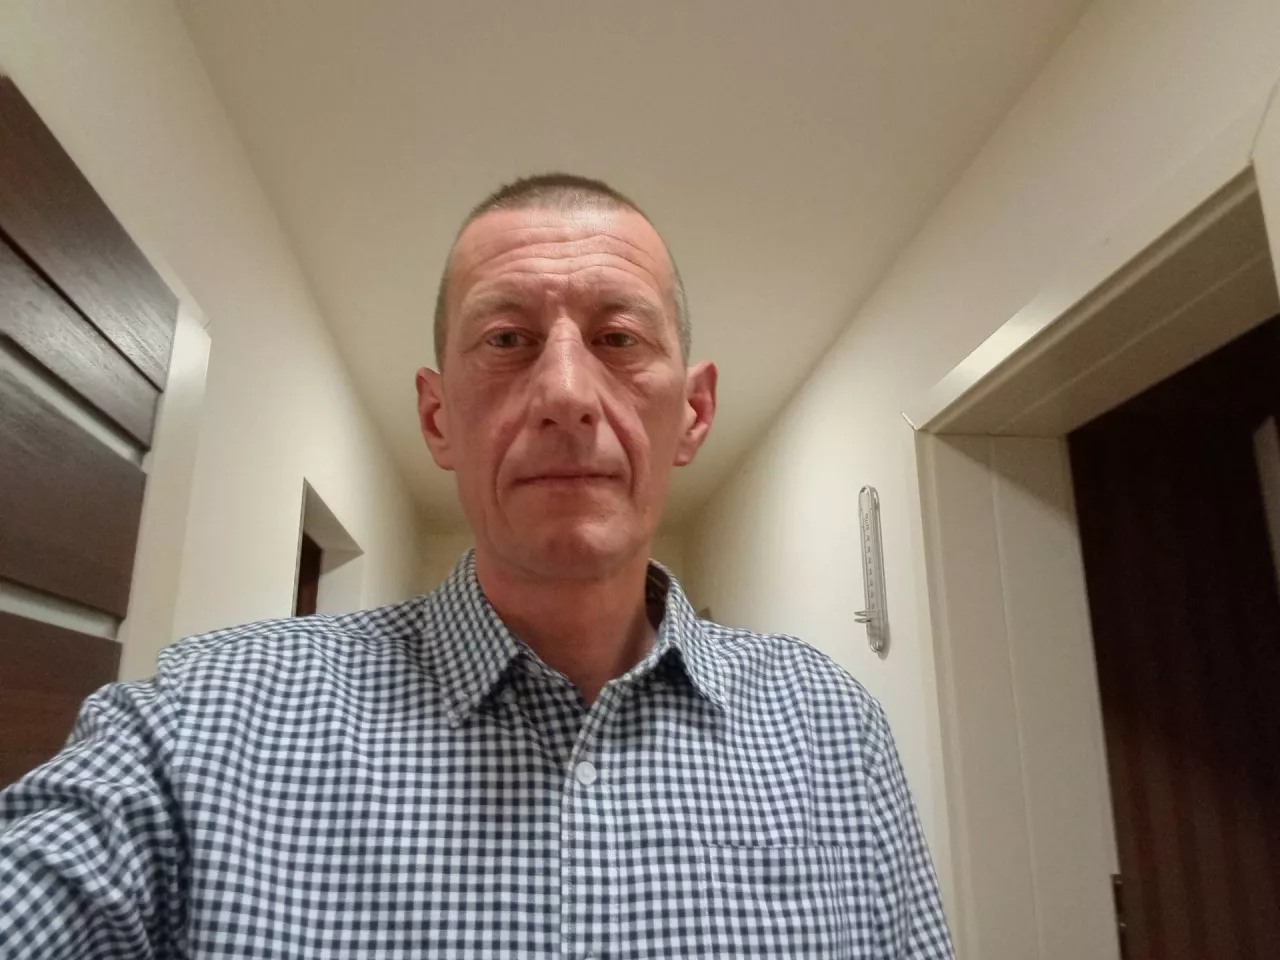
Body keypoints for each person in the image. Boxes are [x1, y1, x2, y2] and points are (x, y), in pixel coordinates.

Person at [0, 173, 953, 958]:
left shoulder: (835, 732)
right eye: (507, 341)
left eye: (619, 339)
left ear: (694, 414)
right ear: (436, 417)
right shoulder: (200, 723)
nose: (567, 393)